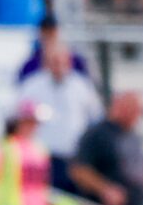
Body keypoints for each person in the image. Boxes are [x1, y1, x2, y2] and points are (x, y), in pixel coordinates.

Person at [18, 40, 103, 192]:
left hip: (73, 158)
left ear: (68, 61)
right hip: (42, 158)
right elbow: (19, 118)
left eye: (60, 61)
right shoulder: (32, 86)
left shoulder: (81, 86)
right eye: (53, 61)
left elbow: (95, 117)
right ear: (46, 61)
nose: (57, 65)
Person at [69, 93, 143, 205]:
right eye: (134, 109)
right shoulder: (96, 134)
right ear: (119, 106)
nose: (138, 115)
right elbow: (79, 170)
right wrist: (105, 189)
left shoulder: (132, 135)